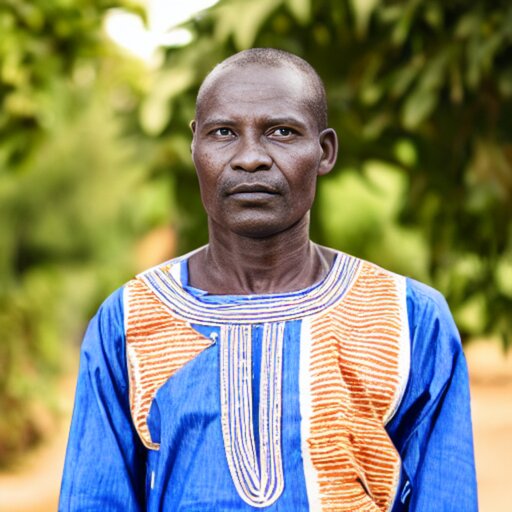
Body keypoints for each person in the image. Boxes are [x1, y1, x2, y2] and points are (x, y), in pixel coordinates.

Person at [59, 48, 478, 511]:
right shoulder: (129, 321)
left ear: (324, 152)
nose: (251, 158)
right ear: (195, 147)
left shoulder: (408, 319)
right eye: (224, 133)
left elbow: (447, 496)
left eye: (281, 132)